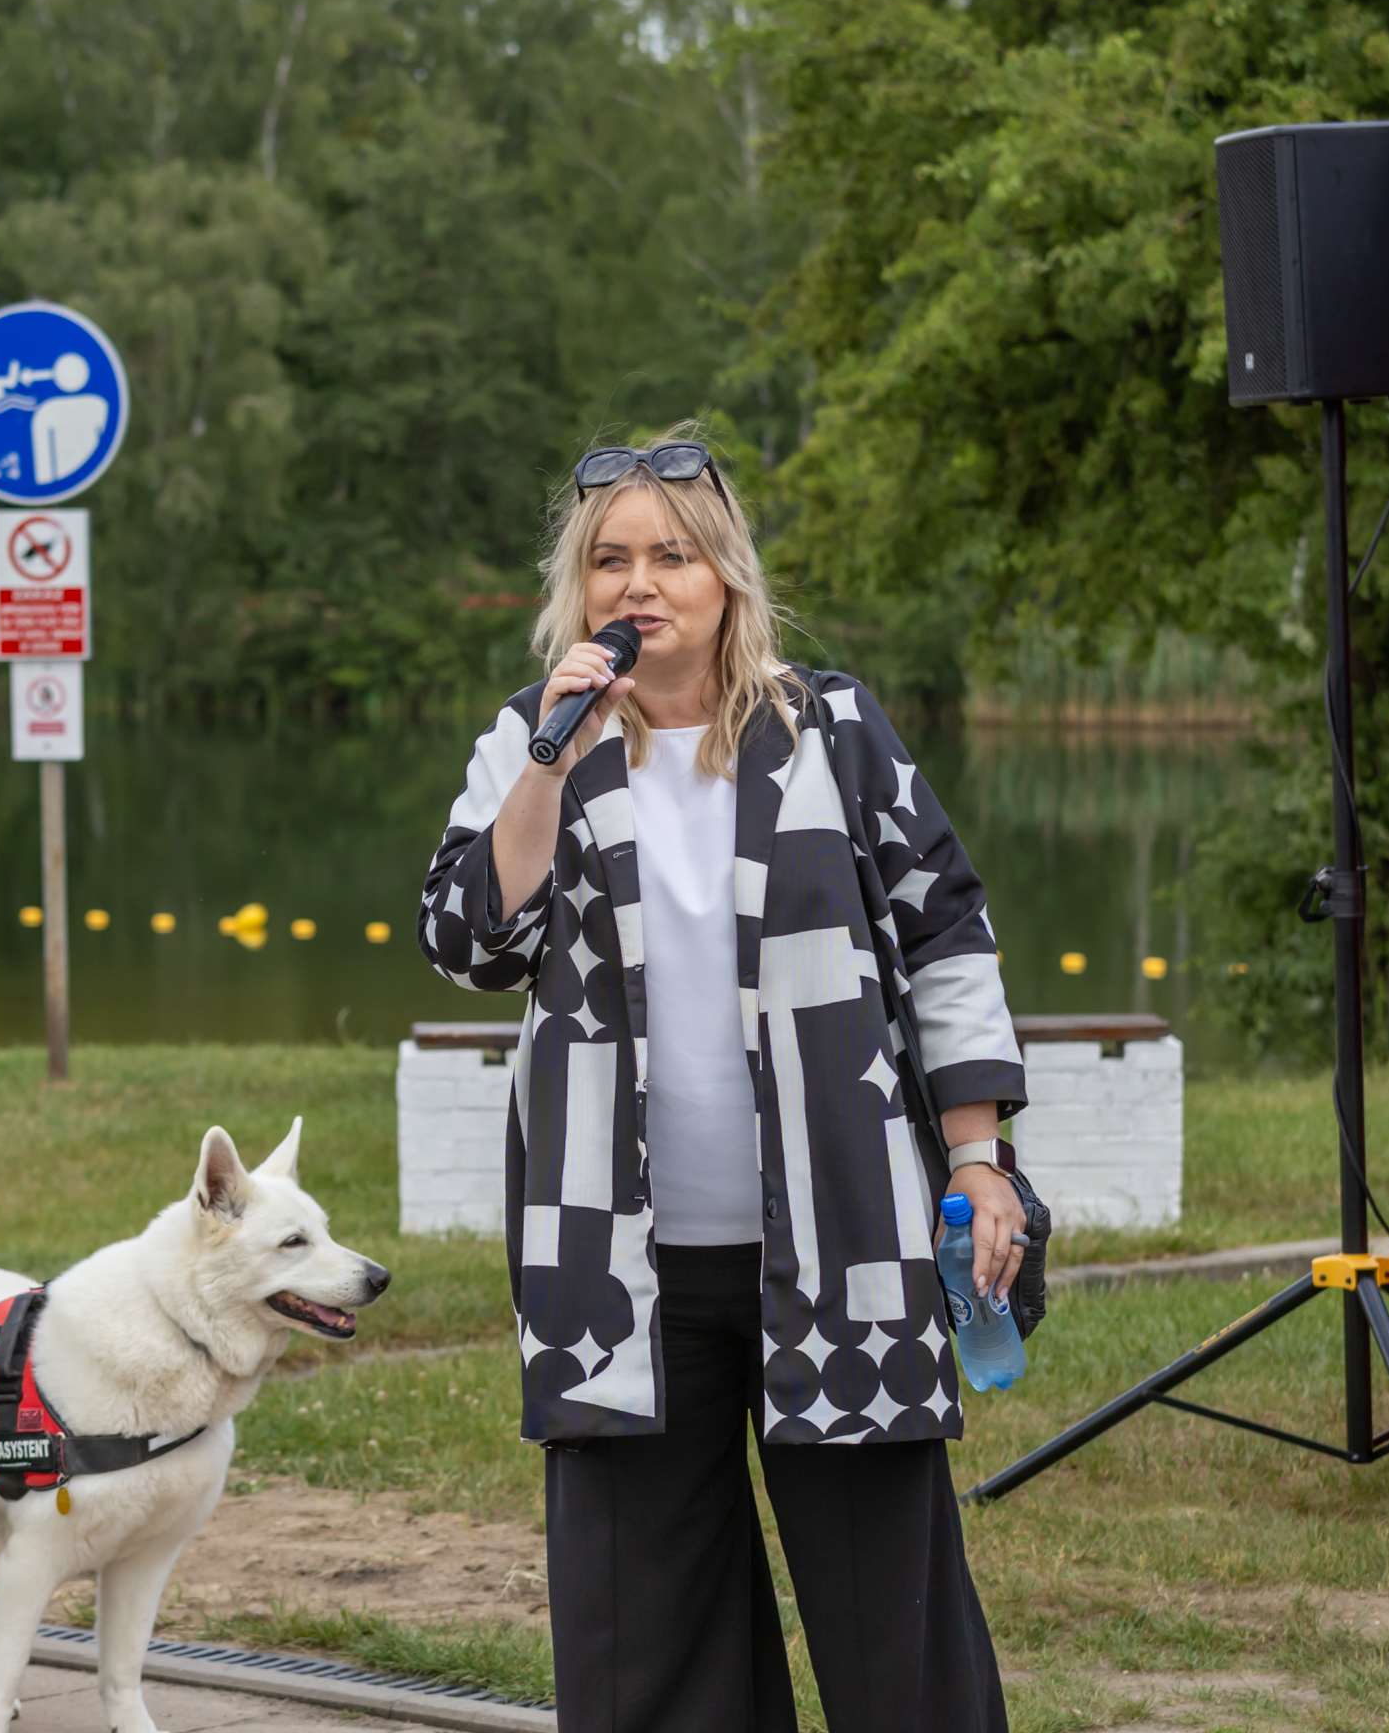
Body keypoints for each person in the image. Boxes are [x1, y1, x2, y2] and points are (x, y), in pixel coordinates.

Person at [419, 427, 1025, 1732]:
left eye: (672, 556)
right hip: (618, 1269)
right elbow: (471, 942)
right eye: (612, 561)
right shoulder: (536, 742)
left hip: (841, 1242)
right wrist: (549, 766)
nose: (641, 584)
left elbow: (946, 933)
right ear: (579, 591)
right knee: (649, 1645)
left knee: (892, 1637)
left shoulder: (832, 731)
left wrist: (977, 1158)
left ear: (726, 576)